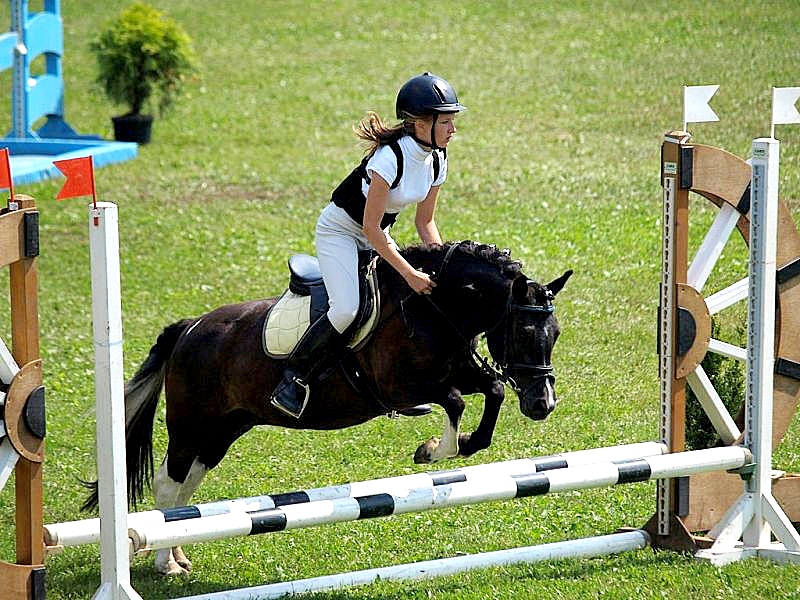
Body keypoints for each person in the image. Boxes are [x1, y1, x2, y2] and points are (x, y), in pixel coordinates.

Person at [270, 72, 466, 419]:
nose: (453, 129)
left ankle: (391, 383)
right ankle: (294, 377)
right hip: (342, 233)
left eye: (453, 121)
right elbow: (371, 228)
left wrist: (441, 267)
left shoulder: (437, 159)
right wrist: (408, 272)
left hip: (374, 235)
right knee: (347, 309)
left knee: (398, 304)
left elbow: (425, 222)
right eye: (446, 121)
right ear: (421, 123)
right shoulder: (389, 160)